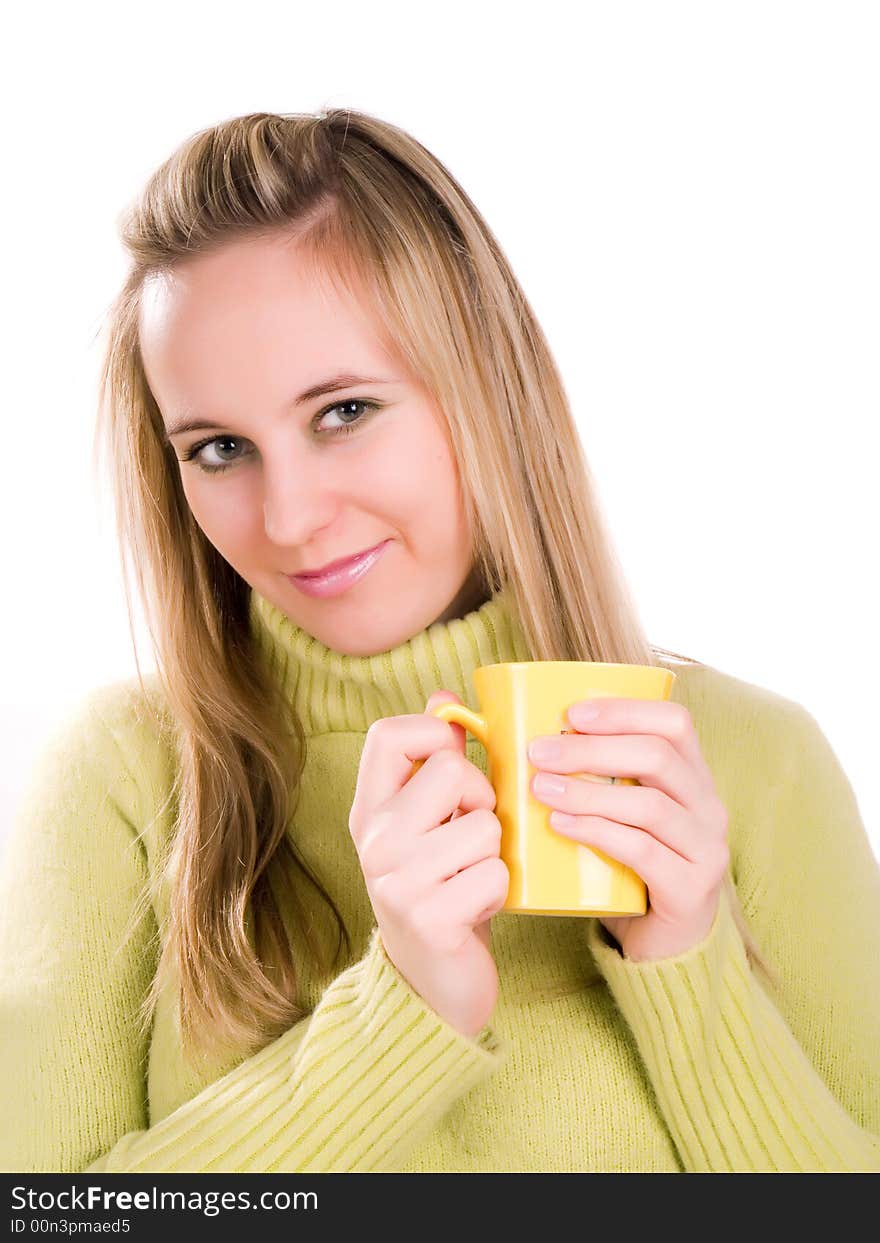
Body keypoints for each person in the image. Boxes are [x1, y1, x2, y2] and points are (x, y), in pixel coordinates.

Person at [1, 107, 878, 1175]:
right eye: (220, 447)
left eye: (343, 412)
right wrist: (404, 1014)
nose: (288, 519)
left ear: (484, 387)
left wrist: (688, 967)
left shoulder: (754, 762)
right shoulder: (122, 779)